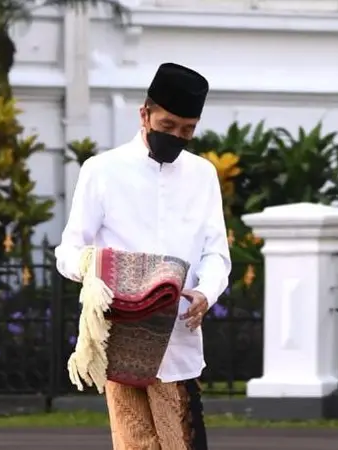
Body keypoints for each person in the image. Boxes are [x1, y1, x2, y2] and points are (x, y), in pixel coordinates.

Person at [55, 62, 231, 450]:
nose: (177, 136)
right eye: (167, 126)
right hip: (124, 339)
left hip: (180, 337)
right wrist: (97, 270)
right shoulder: (102, 171)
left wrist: (207, 292)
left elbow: (217, 253)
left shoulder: (202, 175)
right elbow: (68, 251)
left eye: (187, 130)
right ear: (145, 114)